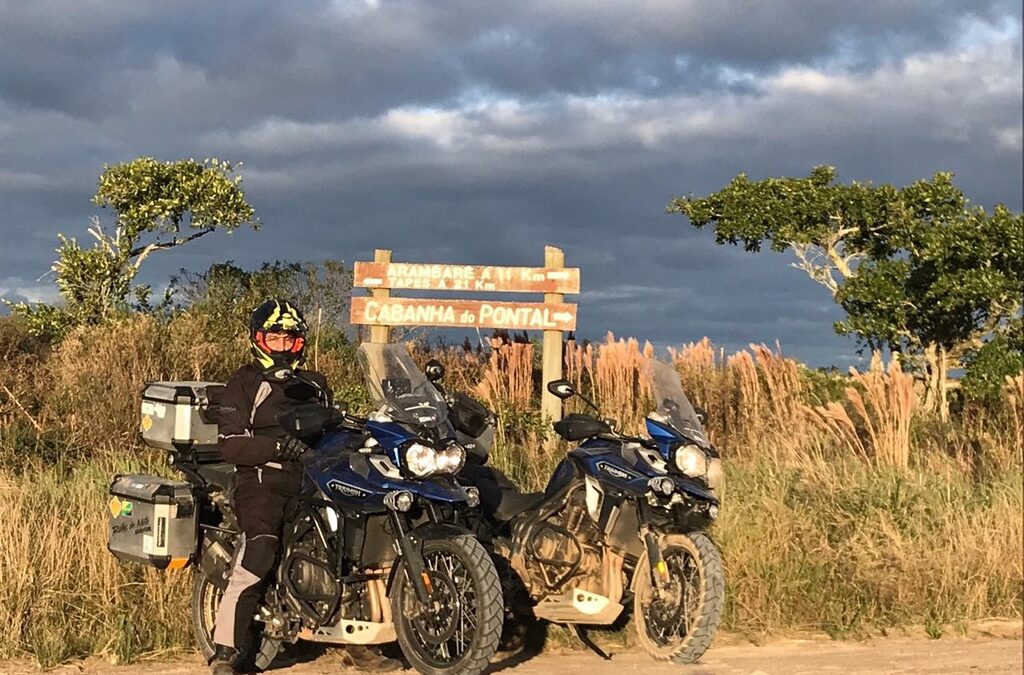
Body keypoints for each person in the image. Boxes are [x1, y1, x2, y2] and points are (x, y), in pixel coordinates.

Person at [209, 299, 401, 674]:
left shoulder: (314, 384)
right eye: (274, 339)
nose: (282, 347)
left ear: (299, 343)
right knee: (259, 551)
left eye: (290, 340)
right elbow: (230, 444)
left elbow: (334, 426)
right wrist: (277, 447)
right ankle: (226, 651)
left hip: (313, 479)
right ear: (259, 340)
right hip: (261, 479)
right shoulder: (244, 383)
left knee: (353, 548)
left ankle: (358, 642)